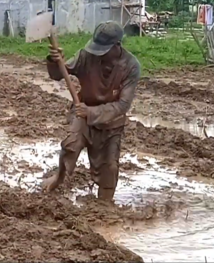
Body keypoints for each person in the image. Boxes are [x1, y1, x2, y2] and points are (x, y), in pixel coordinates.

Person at [40, 21, 141, 202]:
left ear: (117, 46)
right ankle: (58, 178)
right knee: (70, 145)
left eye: (104, 50)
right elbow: (60, 73)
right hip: (83, 115)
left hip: (111, 122)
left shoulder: (131, 66)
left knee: (109, 166)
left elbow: (122, 105)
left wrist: (91, 112)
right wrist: (56, 62)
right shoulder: (86, 56)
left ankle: (105, 204)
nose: (99, 54)